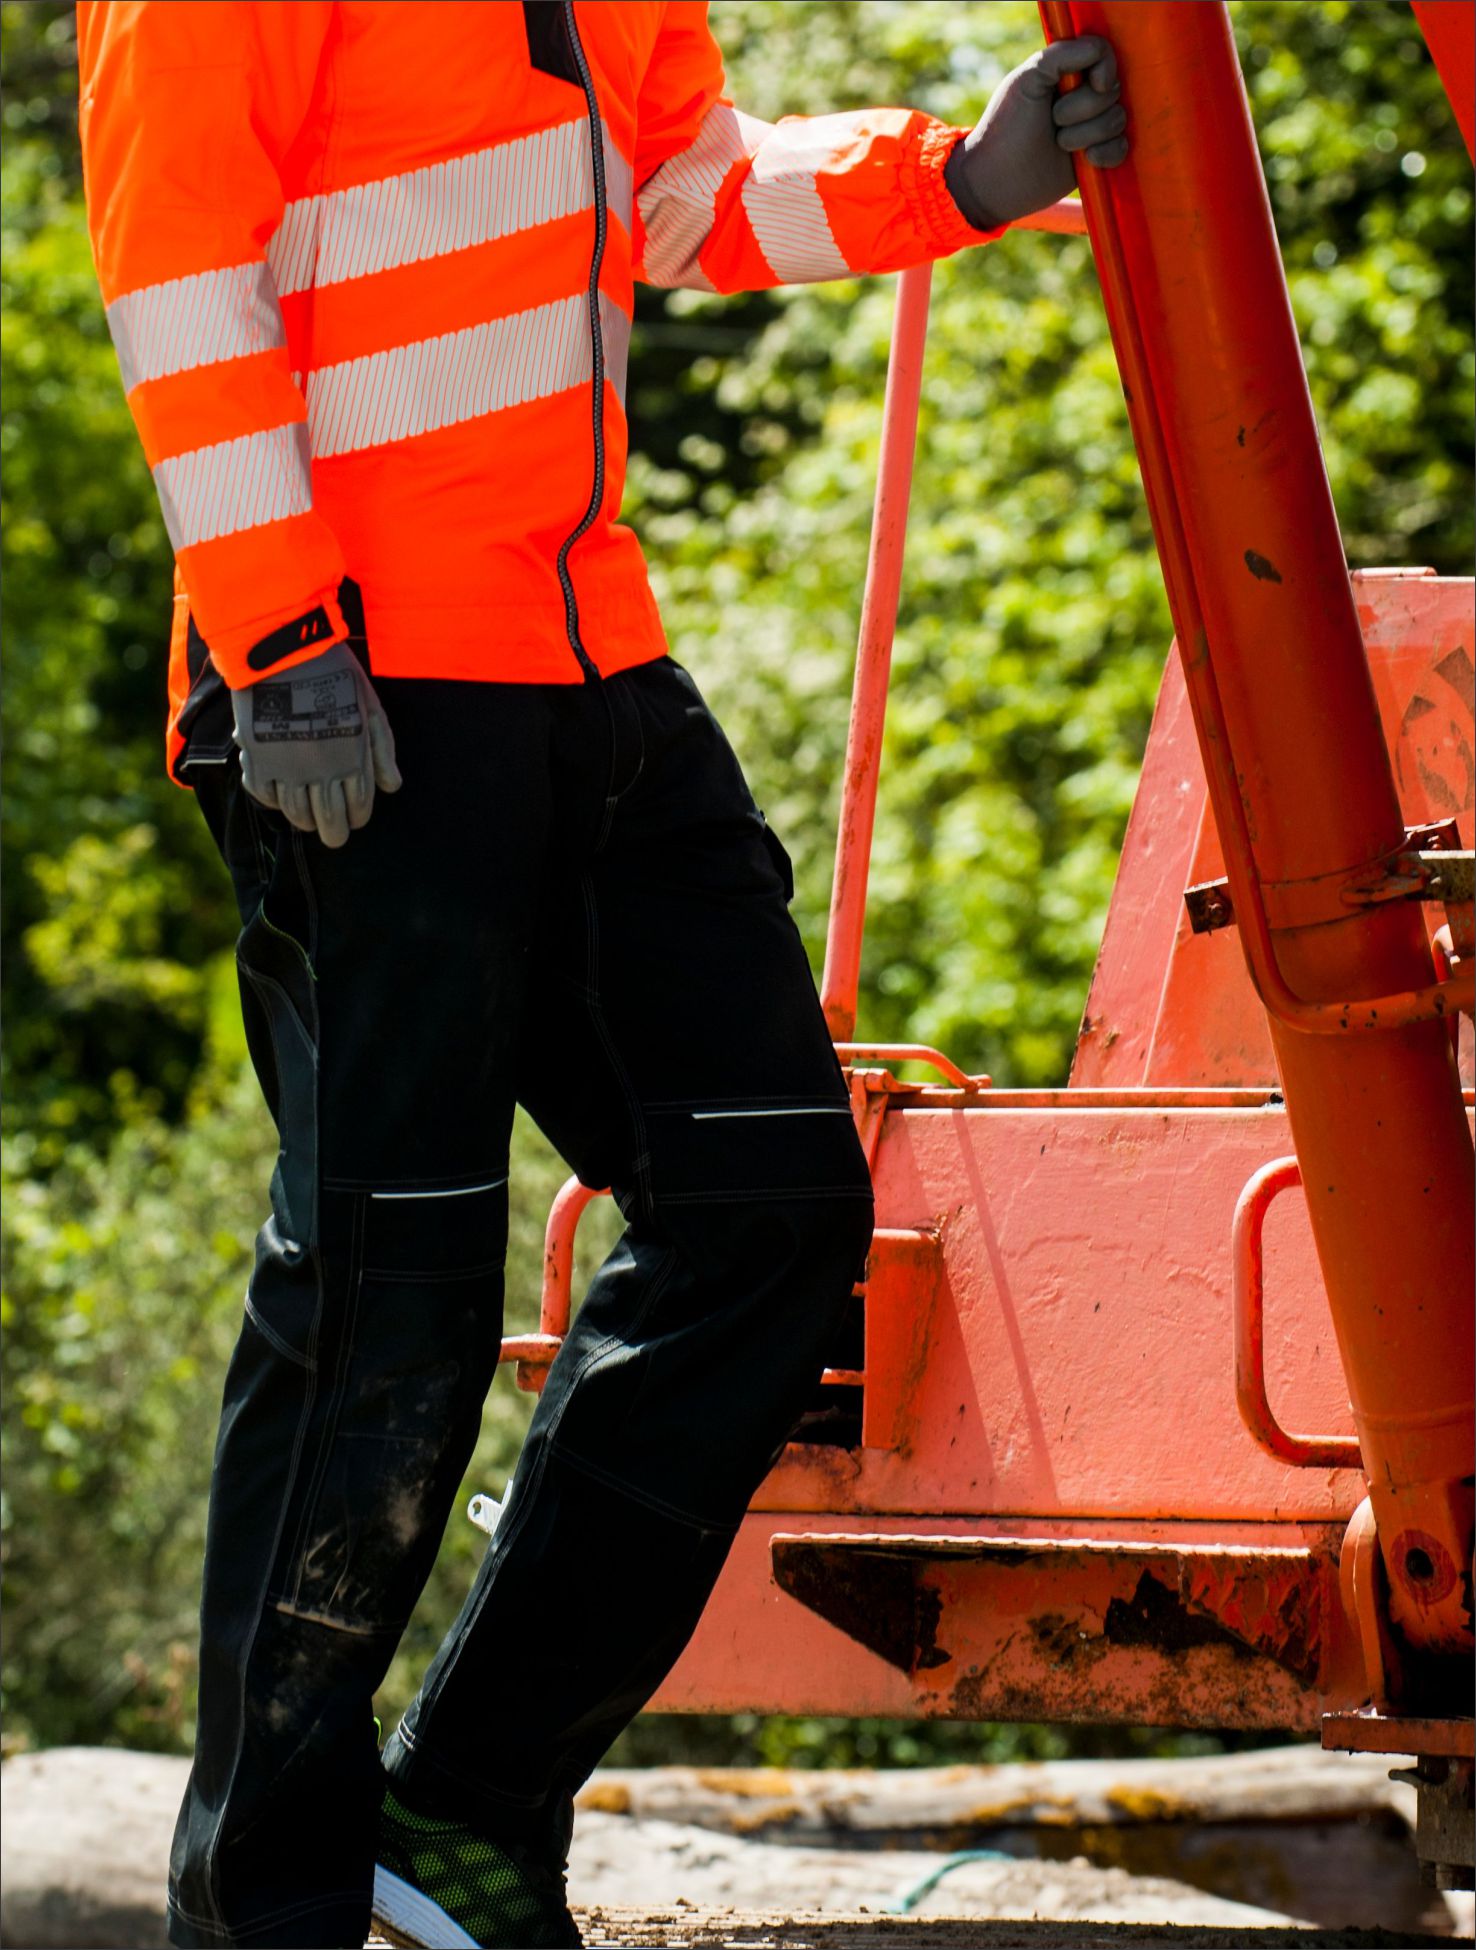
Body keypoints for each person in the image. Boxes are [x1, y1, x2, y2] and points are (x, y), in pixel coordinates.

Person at [77, 5, 1128, 1944]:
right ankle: (270, 1903)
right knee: (387, 1297)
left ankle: (466, 1809)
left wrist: (957, 182)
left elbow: (676, 193)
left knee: (769, 1208)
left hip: (586, 666)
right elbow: (171, 260)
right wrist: (277, 636)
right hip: (358, 684)